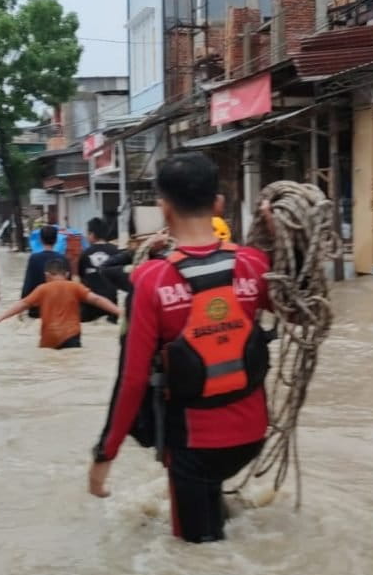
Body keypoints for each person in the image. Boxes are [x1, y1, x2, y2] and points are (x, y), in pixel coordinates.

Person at [89, 153, 273, 543]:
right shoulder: (255, 264)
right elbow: (304, 309)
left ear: (163, 208)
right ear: (219, 205)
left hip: (193, 445)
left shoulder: (151, 279)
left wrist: (104, 455)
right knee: (217, 517)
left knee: (196, 554)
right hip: (252, 435)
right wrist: (276, 235)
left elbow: (132, 379)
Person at [0, 256, 120, 349]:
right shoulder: (75, 287)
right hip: (71, 336)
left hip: (49, 339)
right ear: (67, 274)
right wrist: (120, 312)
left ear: (46, 275)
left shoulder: (42, 289)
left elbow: (22, 304)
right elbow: (97, 299)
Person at [79, 217, 120, 324]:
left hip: (91, 305)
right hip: (112, 304)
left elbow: (81, 276)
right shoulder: (115, 251)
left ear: (92, 234)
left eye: (88, 233)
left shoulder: (85, 253)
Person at [21, 225, 62, 319]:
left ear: (40, 240)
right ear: (56, 240)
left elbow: (28, 283)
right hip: (57, 308)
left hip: (37, 308)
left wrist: (22, 306)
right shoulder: (62, 259)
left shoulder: (34, 258)